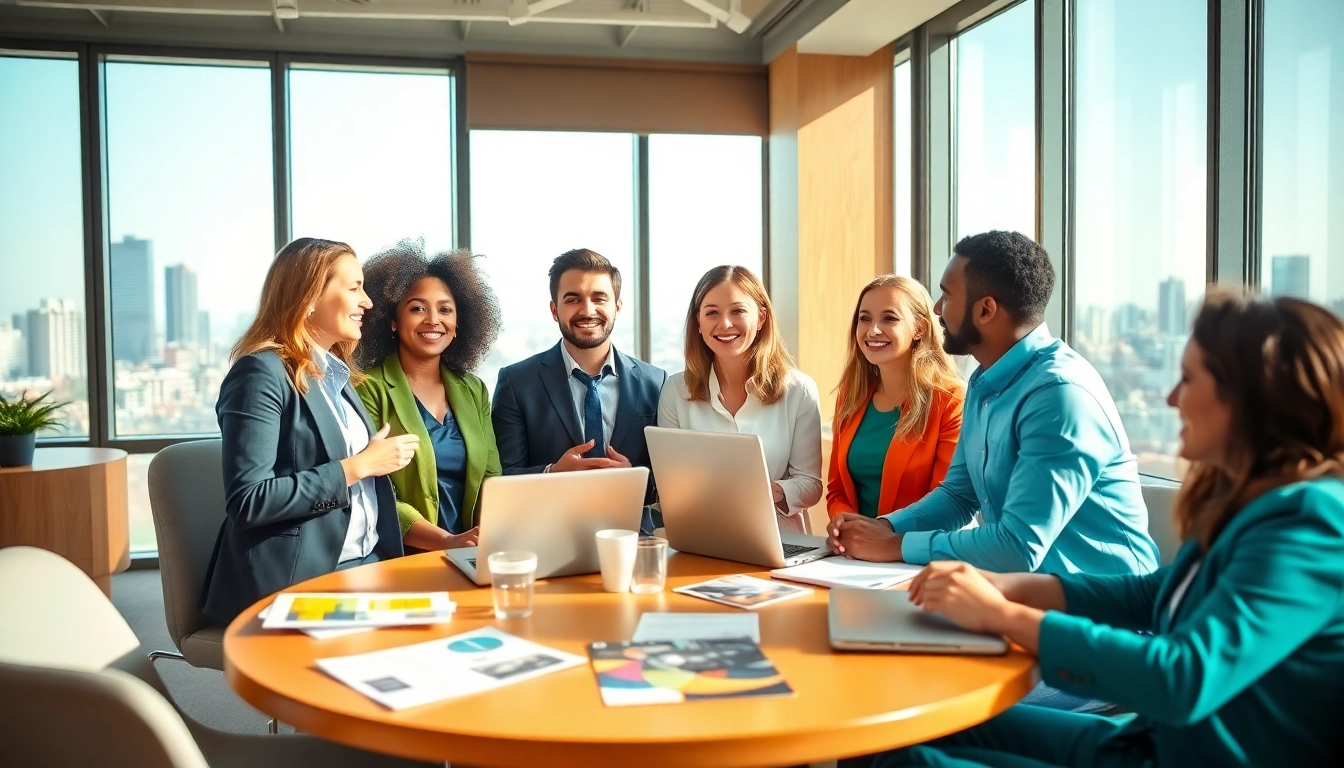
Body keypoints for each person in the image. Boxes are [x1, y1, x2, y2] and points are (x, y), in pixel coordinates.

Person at [860, 289, 1344, 768]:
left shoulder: (1310, 524)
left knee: (907, 760)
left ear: (1248, 401)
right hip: (1149, 742)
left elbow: (1183, 679)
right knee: (900, 730)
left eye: (1189, 379)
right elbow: (1157, 595)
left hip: (1179, 754)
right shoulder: (1249, 498)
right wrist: (1008, 587)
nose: (1172, 398)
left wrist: (1001, 616)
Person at [828, 231, 1157, 576]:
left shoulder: (1060, 395)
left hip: (1100, 613)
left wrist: (896, 546)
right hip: (1022, 597)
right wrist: (886, 529)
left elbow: (1017, 547)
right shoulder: (984, 383)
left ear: (985, 310)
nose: (938, 309)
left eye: (947, 296)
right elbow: (958, 495)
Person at [201, 238, 417, 623]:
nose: (367, 302)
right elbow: (249, 501)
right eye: (354, 288)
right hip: (300, 582)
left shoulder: (335, 375)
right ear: (310, 296)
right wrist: (358, 467)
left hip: (367, 567)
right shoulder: (260, 374)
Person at [491, 248, 667, 533]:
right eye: (573, 299)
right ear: (554, 310)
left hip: (633, 539)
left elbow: (667, 483)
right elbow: (502, 477)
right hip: (546, 539)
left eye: (599, 298)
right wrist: (553, 474)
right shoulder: (516, 382)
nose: (587, 310)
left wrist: (633, 479)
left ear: (617, 307)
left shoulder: (654, 382)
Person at [354, 239, 503, 554]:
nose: (433, 320)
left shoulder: (473, 390)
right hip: (400, 556)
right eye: (417, 308)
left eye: (445, 309)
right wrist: (446, 542)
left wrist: (482, 541)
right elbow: (375, 492)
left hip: (471, 552)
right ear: (393, 321)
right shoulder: (368, 388)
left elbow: (492, 477)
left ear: (459, 323)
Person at [658, 265, 823, 533]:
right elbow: (670, 486)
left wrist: (771, 491)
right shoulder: (676, 390)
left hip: (778, 539)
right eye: (712, 313)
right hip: (702, 540)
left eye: (737, 311)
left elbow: (810, 484)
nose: (725, 324)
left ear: (761, 318)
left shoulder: (799, 389)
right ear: (698, 323)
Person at [828, 275, 964, 520]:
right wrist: (844, 521)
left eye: (889, 318)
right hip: (854, 552)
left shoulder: (950, 400)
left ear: (919, 328)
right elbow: (836, 491)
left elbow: (947, 501)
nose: (873, 330)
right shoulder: (851, 395)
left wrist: (882, 532)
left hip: (917, 550)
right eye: (864, 319)